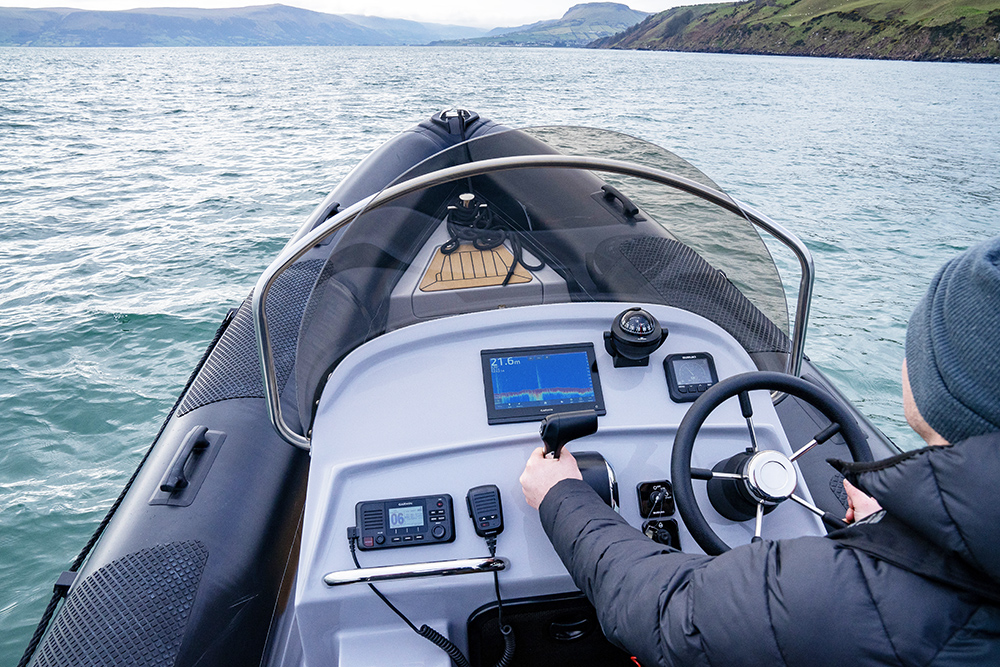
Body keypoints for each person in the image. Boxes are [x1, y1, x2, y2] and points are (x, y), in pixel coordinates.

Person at [520, 236, 1000, 666]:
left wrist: (561, 494)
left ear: (937, 384)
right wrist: (885, 527)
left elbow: (665, 613)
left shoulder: (837, 596)